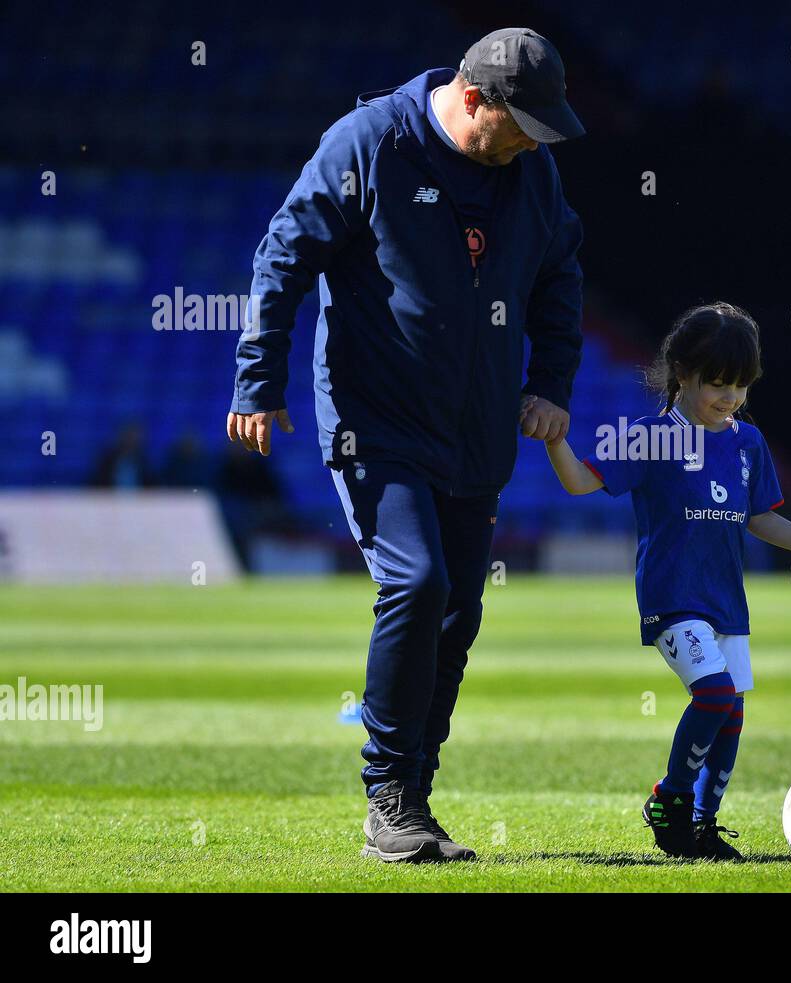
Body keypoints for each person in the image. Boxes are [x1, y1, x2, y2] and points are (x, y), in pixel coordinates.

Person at [226, 28, 585, 863]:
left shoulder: (531, 170)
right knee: (417, 583)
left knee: (459, 612)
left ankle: (412, 798)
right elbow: (284, 255)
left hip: (479, 425)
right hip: (374, 420)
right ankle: (386, 794)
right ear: (473, 99)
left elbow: (560, 272)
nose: (535, 142)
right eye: (525, 124)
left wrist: (552, 383)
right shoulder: (370, 143)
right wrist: (259, 378)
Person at [539, 302, 791, 860]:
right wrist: (553, 438)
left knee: (731, 715)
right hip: (673, 598)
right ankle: (671, 800)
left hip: (725, 604)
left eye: (740, 385)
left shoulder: (747, 443)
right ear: (682, 374)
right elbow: (577, 482)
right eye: (717, 383)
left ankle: (702, 827)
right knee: (713, 695)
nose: (730, 397)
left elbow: (761, 517)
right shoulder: (650, 437)